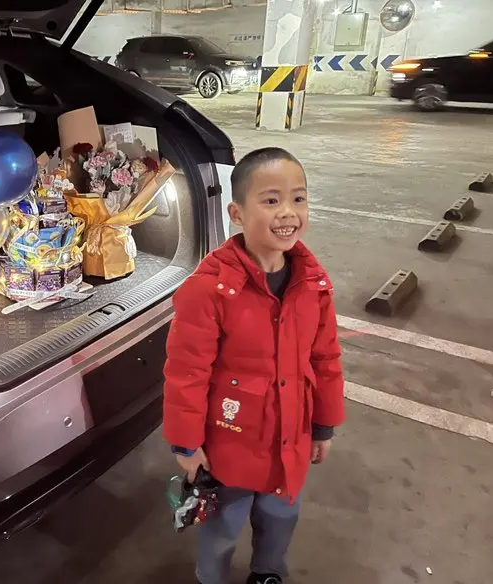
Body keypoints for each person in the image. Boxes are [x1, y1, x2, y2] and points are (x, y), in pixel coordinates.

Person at [163, 147, 345, 584]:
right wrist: (186, 443)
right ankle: (211, 577)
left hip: (291, 440)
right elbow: (187, 372)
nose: (288, 213)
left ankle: (267, 572)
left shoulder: (312, 283)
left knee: (281, 519)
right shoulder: (208, 290)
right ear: (237, 214)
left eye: (298, 198)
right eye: (271, 200)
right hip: (230, 447)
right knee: (222, 529)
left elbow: (325, 358)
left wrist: (323, 426)